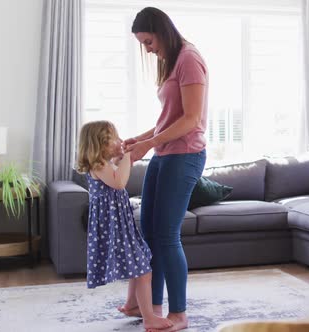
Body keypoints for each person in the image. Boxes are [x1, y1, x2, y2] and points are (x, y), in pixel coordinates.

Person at [120, 6, 209, 332]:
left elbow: (191, 120)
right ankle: (151, 309)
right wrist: (140, 140)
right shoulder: (171, 61)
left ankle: (180, 314)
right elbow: (168, 119)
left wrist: (147, 145)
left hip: (184, 155)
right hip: (165, 153)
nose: (147, 48)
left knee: (167, 237)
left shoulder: (189, 59)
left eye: (147, 41)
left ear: (161, 31)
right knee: (148, 232)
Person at [76, 121, 173, 332]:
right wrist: (128, 157)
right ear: (100, 144)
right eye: (115, 138)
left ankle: (131, 305)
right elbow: (119, 182)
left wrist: (121, 157)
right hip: (114, 229)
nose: (120, 141)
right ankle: (149, 318)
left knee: (138, 264)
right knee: (143, 270)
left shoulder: (105, 163)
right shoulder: (98, 165)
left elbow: (117, 175)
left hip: (121, 227)